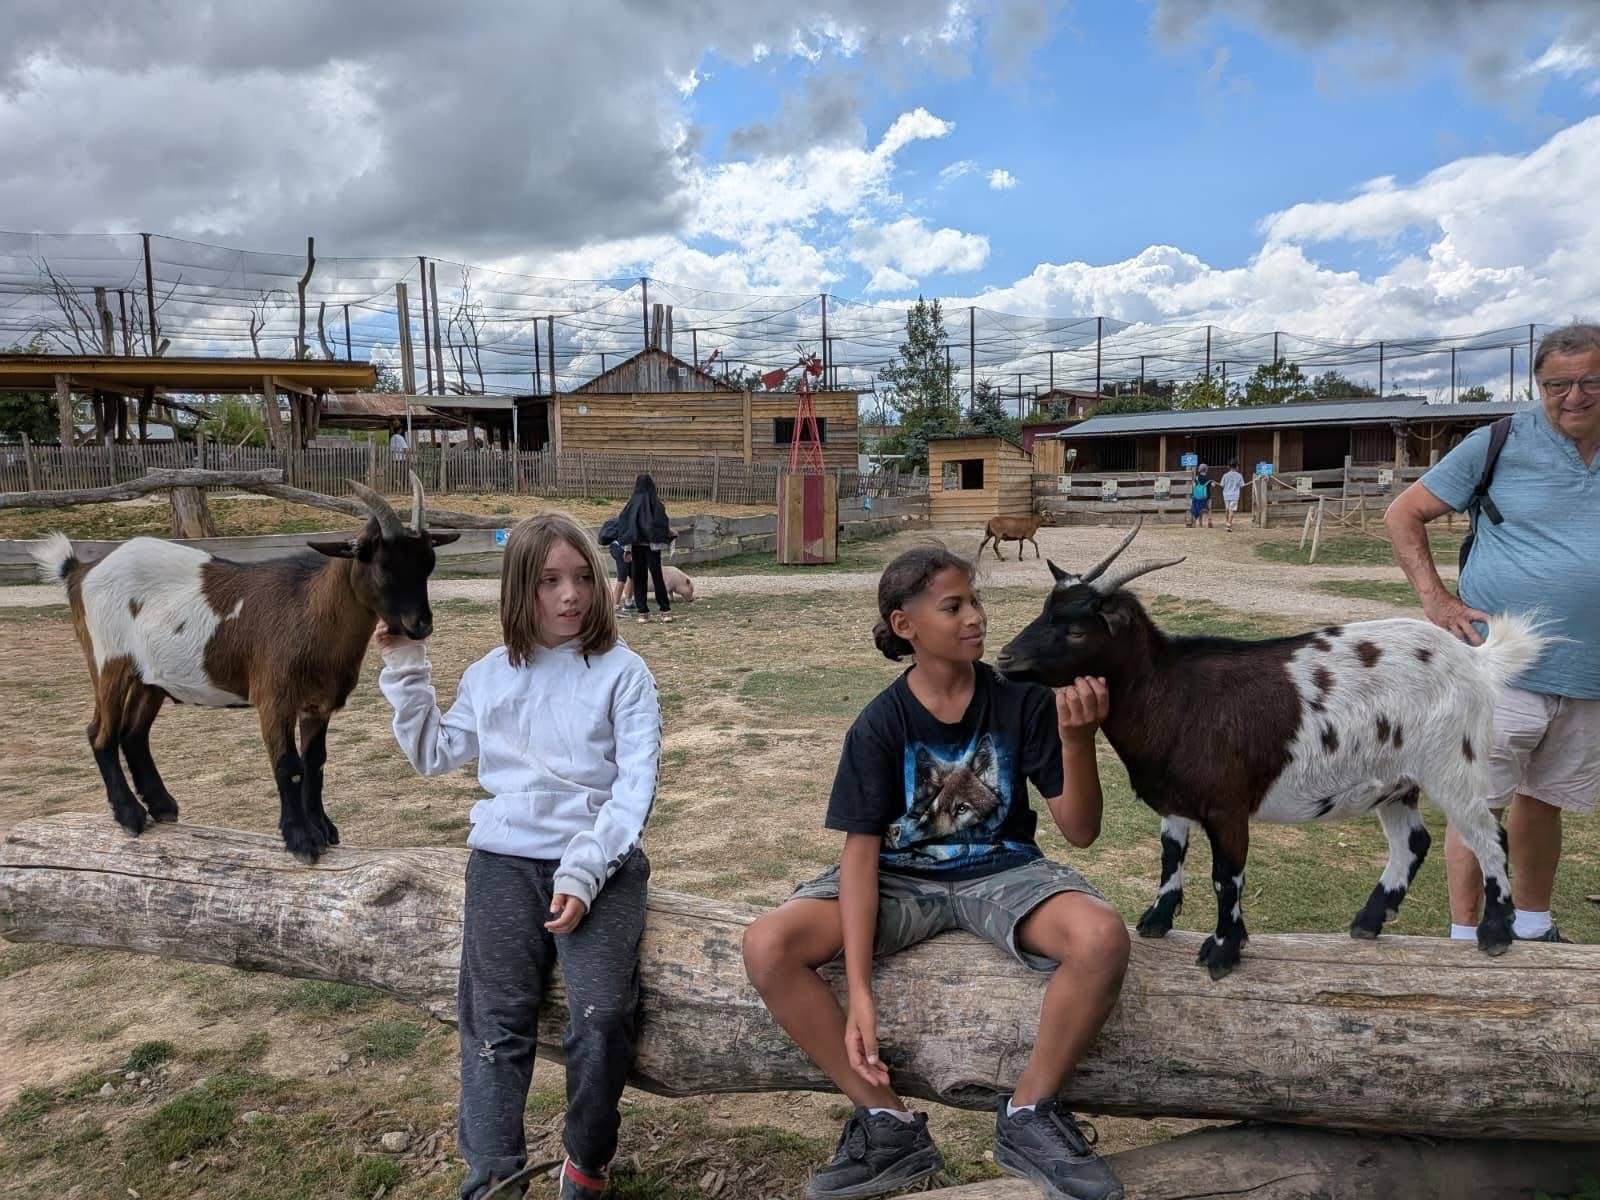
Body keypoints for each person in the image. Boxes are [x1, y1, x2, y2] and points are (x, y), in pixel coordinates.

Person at [742, 545, 1129, 1200]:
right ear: (906, 626)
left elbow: (1081, 829)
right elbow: (860, 856)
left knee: (1102, 937)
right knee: (767, 945)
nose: (975, 617)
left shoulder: (1022, 702)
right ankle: (886, 1124)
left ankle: (1029, 1113)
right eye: (954, 607)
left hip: (1002, 873)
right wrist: (859, 991)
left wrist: (1076, 740)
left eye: (975, 601)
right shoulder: (880, 724)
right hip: (900, 881)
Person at [374, 511, 661, 1200]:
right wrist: (405, 664)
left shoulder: (624, 674)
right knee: (495, 1023)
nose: (571, 596)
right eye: (549, 581)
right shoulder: (489, 675)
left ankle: (587, 1159)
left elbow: (633, 790)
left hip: (601, 864)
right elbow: (434, 752)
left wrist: (584, 872)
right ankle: (493, 1174)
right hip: (503, 862)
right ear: (518, 589)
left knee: (603, 1014)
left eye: (582, 577)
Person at [1386, 322, 1600, 946]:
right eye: (1558, 384)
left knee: (1546, 799)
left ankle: (1532, 924)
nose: (1575, 396)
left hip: (1588, 674)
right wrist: (1437, 601)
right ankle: (1466, 934)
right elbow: (1404, 513)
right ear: (1539, 386)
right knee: (1478, 802)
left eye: (1591, 380)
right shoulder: (1500, 442)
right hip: (1498, 666)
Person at [614, 473, 675, 624]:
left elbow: (626, 527)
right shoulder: (656, 504)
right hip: (652, 548)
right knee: (657, 577)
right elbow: (662, 524)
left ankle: (643, 613)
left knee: (639, 578)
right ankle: (665, 611)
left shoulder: (631, 505)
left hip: (636, 547)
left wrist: (627, 549)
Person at [1220, 461, 1245, 531]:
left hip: (1226, 494)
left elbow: (1222, 485)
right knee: (1232, 510)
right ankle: (1229, 524)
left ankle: (1227, 523)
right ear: (1236, 467)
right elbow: (1242, 485)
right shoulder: (1239, 475)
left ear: (1229, 466)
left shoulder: (1225, 475)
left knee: (1227, 509)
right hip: (1234, 495)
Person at [1187, 464, 1215, 529]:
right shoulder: (1209, 478)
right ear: (1206, 470)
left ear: (1200, 469)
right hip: (1207, 495)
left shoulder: (1197, 478)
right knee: (1209, 509)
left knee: (1200, 509)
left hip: (1199, 496)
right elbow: (1213, 485)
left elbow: (1194, 486)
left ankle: (1200, 523)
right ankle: (1209, 522)